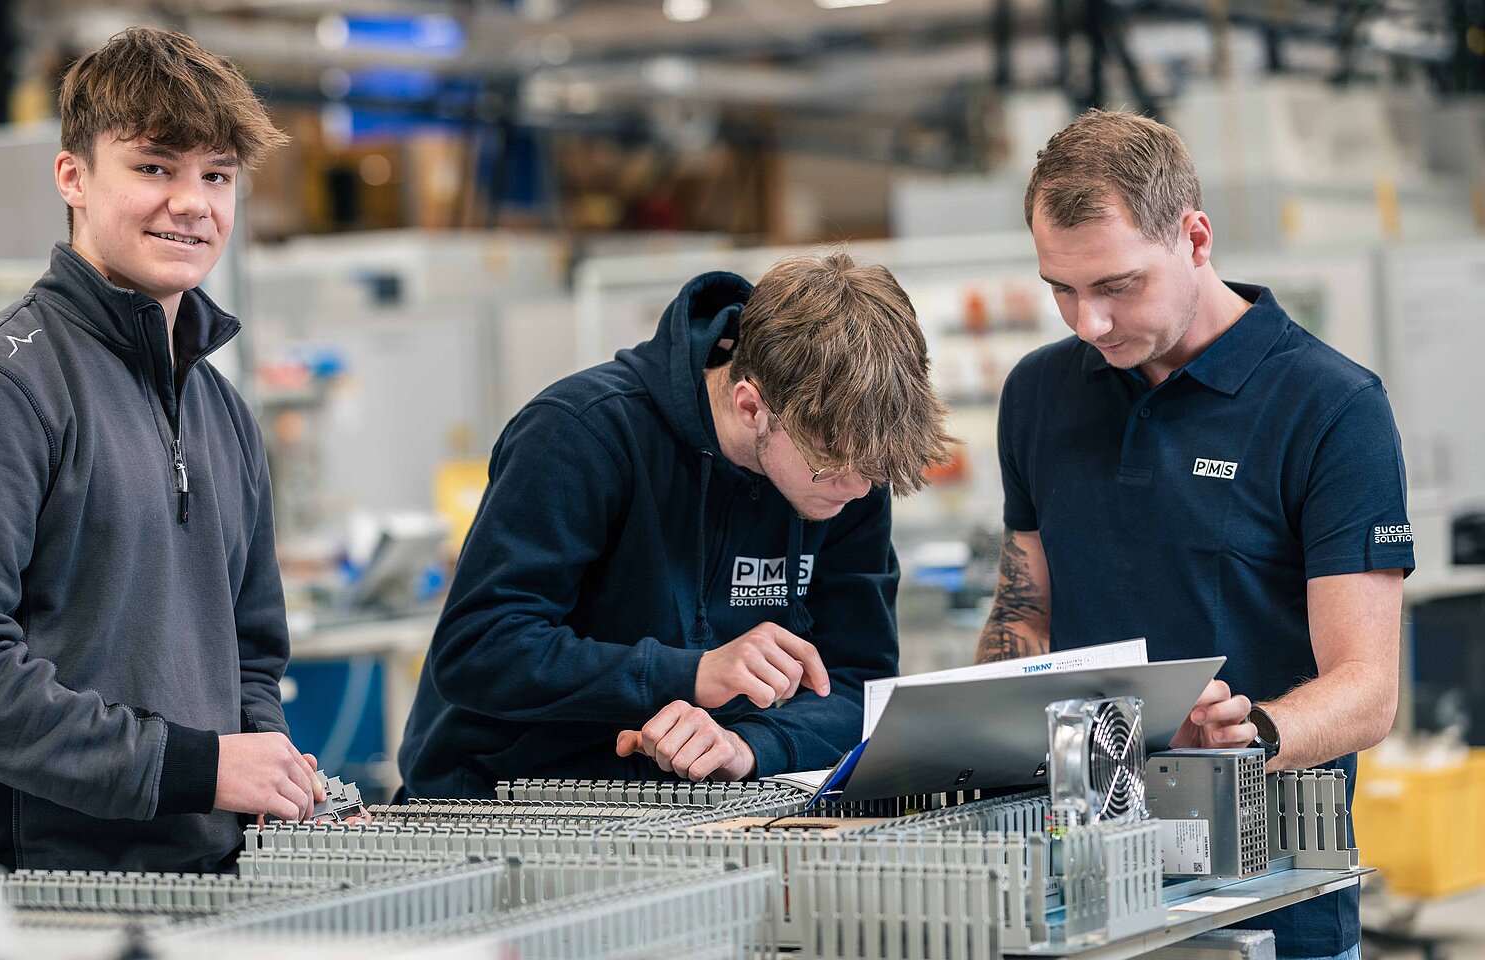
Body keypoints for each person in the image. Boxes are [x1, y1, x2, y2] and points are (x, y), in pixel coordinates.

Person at [0, 26, 323, 874]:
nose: (192, 203)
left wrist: (275, 784)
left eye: (217, 176)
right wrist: (195, 767)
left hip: (208, 883)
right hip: (43, 895)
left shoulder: (221, 410)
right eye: (156, 167)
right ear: (74, 177)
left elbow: (254, 651)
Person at [979, 109, 1411, 960]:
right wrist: (983, 707)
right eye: (1061, 289)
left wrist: (1255, 732)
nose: (1087, 325)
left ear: (1196, 238)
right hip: (1083, 891)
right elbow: (1023, 612)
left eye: (1116, 286)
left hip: (1273, 896)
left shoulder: (1332, 410)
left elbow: (1367, 688)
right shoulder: (1037, 393)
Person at [398, 251, 956, 799]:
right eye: (832, 466)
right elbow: (479, 650)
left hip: (689, 806)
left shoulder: (849, 471)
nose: (858, 490)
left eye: (874, 473)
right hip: (501, 802)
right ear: (750, 406)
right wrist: (689, 674)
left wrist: (749, 747)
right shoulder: (581, 434)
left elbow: (859, 685)